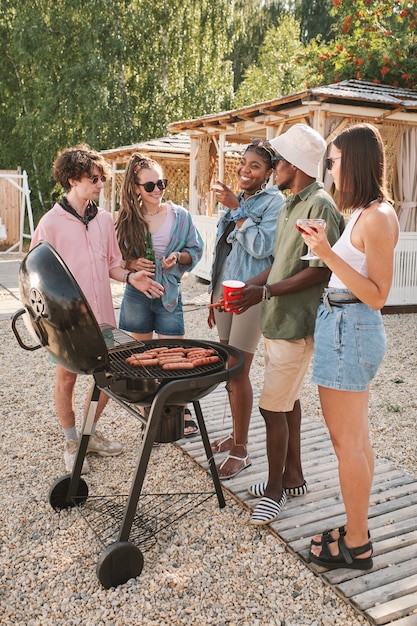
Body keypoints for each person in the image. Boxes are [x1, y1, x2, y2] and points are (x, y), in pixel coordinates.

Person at [232, 124, 345, 524]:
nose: (272, 167)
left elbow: (319, 271)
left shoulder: (320, 206)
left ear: (293, 164)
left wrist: (264, 294)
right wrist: (249, 287)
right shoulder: (291, 203)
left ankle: (276, 489)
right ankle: (293, 475)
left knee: (270, 408)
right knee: (288, 401)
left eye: (277, 160)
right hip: (276, 320)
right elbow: (279, 263)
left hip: (296, 324)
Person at [30, 144, 164, 474]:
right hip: (67, 323)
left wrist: (133, 278)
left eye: (102, 177)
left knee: (107, 377)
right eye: (95, 178)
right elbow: (34, 276)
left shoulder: (104, 220)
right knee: (66, 380)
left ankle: (88, 434)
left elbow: (113, 266)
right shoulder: (50, 223)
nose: (101, 183)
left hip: (102, 316)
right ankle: (72, 441)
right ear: (73, 180)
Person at [305, 123, 399, 570]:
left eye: (334, 162)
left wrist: (324, 251)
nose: (329, 170)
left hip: (350, 327)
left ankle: (357, 544)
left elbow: (379, 294)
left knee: (348, 445)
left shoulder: (378, 217)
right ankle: (356, 525)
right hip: (342, 324)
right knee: (356, 441)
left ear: (355, 163)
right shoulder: (364, 212)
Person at [208, 139, 285, 480]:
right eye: (243, 162)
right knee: (228, 368)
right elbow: (222, 252)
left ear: (269, 173)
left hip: (251, 295)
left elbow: (261, 246)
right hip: (226, 293)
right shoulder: (243, 201)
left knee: (238, 371)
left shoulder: (274, 202)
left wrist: (236, 208)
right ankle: (235, 435)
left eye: (255, 166)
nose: (245, 169)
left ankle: (241, 450)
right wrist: (214, 295)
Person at [116, 153, 203, 436]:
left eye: (161, 184)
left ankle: (179, 411)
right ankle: (148, 416)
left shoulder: (180, 216)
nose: (157, 190)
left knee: (173, 358)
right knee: (139, 359)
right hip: (137, 295)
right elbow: (113, 258)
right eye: (150, 186)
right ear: (136, 188)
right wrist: (130, 263)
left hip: (168, 294)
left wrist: (178, 257)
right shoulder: (126, 219)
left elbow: (196, 250)